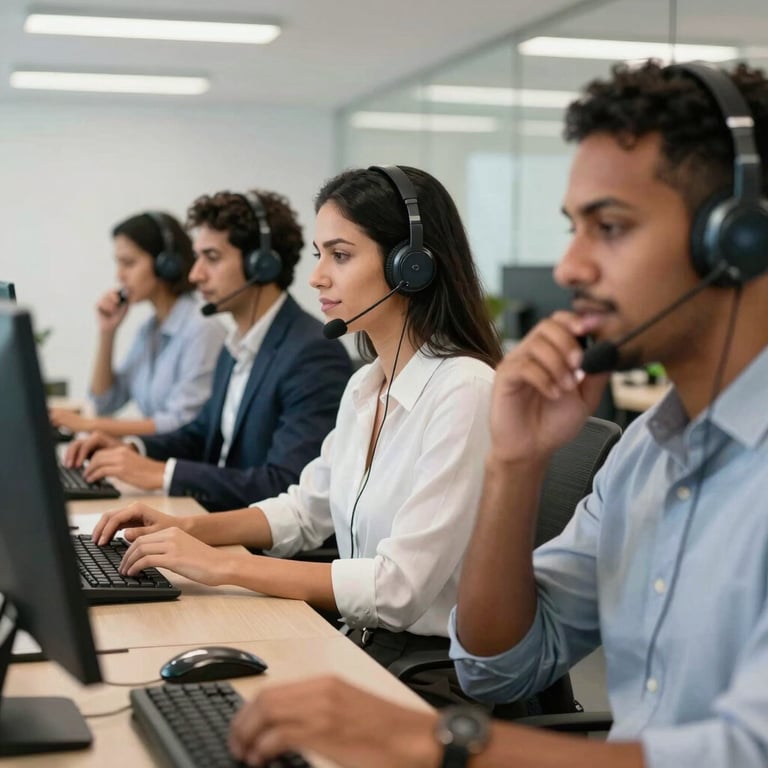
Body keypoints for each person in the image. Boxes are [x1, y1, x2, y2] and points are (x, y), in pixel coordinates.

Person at [226, 60, 768, 767]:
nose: (569, 266)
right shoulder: (646, 457)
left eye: (609, 226)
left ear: (737, 237)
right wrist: (514, 464)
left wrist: (419, 739)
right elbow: (501, 666)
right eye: (573, 227)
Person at [91, 165, 502, 664]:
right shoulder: (366, 384)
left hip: (428, 670)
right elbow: (305, 509)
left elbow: (397, 589)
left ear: (409, 265)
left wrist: (223, 567)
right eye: (318, 255)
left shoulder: (465, 391)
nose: (316, 276)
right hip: (363, 643)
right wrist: (184, 530)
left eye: (341, 255)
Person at [64, 189, 351, 512]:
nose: (194, 273)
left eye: (211, 258)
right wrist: (132, 447)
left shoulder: (310, 354)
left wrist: (162, 474)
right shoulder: (235, 347)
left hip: (259, 547)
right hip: (219, 518)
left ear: (262, 264)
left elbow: (286, 484)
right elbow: (200, 435)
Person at [49, 211, 226, 437]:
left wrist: (91, 425)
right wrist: (107, 332)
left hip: (180, 466)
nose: (119, 275)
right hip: (150, 458)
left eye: (129, 263)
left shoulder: (202, 329)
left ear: (165, 264)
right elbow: (105, 402)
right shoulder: (149, 330)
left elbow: (181, 422)